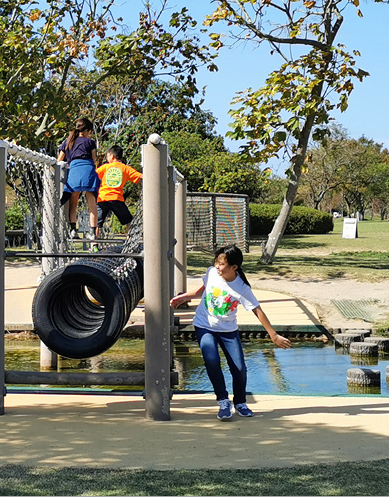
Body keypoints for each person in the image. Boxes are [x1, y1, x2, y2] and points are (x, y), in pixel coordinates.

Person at [170, 244, 291, 419]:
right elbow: (203, 289)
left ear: (234, 267)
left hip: (228, 331)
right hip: (204, 326)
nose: (218, 267)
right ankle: (223, 401)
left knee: (239, 368)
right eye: (217, 262)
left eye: (222, 264)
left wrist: (273, 335)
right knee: (212, 361)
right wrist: (185, 297)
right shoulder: (212, 272)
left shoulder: (241, 288)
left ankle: (240, 402)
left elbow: (258, 310)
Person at [57, 117, 100, 239]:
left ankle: (73, 230)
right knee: (92, 203)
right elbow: (94, 160)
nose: (89, 134)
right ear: (86, 130)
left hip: (74, 171)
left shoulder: (68, 142)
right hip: (88, 171)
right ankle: (92, 232)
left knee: (73, 203)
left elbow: (59, 160)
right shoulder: (90, 142)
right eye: (90, 131)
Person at [95, 145, 142, 238]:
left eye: (107, 156)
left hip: (103, 197)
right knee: (128, 221)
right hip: (117, 199)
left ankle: (94, 243)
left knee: (97, 222)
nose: (106, 158)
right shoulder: (125, 168)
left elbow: (94, 175)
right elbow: (139, 176)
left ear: (112, 156)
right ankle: (129, 240)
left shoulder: (105, 167)